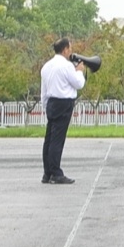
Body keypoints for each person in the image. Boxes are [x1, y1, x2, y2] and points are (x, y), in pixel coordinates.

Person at [40, 38, 87, 184]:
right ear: (65, 49)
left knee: (49, 139)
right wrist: (79, 71)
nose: (71, 51)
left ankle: (47, 173)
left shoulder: (46, 66)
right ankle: (56, 173)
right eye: (70, 48)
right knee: (57, 140)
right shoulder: (66, 66)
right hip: (64, 103)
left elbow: (44, 91)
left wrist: (46, 105)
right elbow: (78, 84)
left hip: (51, 102)